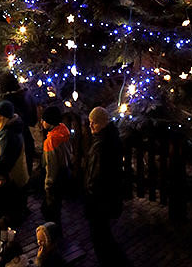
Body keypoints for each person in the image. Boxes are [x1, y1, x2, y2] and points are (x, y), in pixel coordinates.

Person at [84, 107, 126, 266]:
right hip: (106, 198)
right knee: (104, 235)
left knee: (100, 237)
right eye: (90, 123)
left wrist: (90, 195)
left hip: (99, 201)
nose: (90, 126)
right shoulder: (110, 138)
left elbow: (95, 177)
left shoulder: (101, 145)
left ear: (102, 123)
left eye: (93, 123)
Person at [41, 105, 73, 227]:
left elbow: (51, 166)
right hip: (64, 173)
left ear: (49, 121)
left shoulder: (51, 141)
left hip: (55, 180)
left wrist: (48, 185)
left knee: (49, 210)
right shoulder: (64, 131)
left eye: (44, 120)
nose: (42, 122)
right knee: (57, 207)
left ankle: (53, 234)